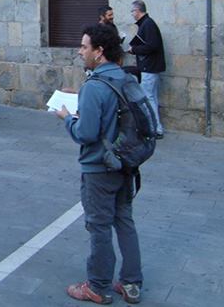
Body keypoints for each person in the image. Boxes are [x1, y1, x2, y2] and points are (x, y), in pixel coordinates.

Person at [56, 24, 143, 305]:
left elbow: (86, 133)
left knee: (99, 226)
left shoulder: (94, 86)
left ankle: (98, 286)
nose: (80, 51)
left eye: (84, 46)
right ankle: (131, 283)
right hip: (126, 162)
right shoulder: (124, 78)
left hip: (99, 167)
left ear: (99, 51)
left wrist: (67, 119)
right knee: (124, 221)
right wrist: (81, 98)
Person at [128, 0, 166, 139]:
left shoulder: (147, 24)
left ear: (138, 10)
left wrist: (134, 49)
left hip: (149, 67)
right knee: (151, 97)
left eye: (132, 11)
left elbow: (152, 46)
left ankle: (155, 128)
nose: (132, 14)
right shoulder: (146, 24)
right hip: (149, 66)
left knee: (148, 98)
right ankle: (156, 127)